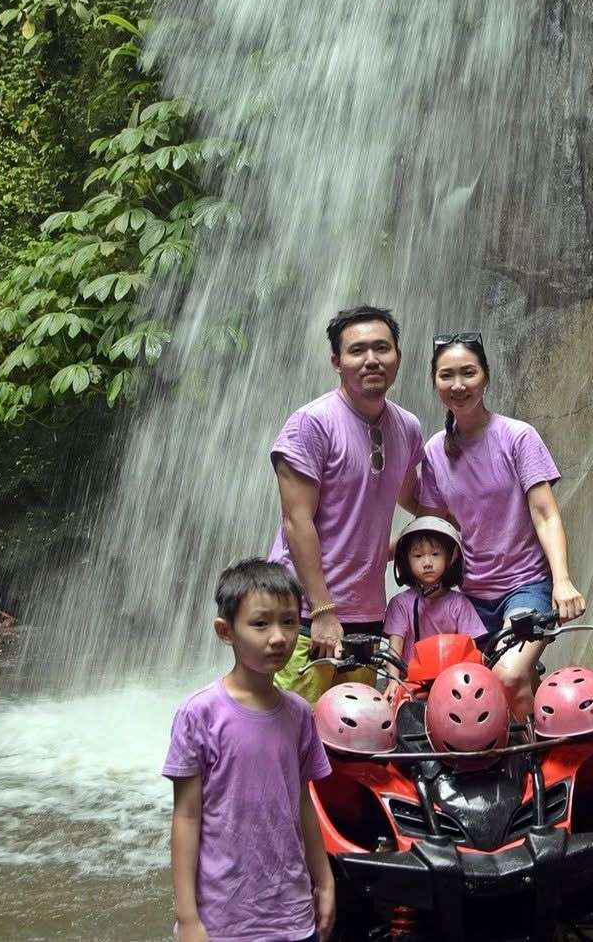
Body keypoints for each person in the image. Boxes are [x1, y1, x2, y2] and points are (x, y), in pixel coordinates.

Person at [163, 559, 334, 942]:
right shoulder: (200, 713)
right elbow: (187, 816)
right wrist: (188, 917)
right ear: (226, 631)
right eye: (260, 624)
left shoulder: (299, 714)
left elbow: (303, 803)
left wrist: (324, 881)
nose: (278, 637)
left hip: (291, 915)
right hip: (225, 919)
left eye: (289, 622)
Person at [419, 332, 586, 718]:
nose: (458, 385)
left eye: (468, 373)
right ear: (435, 383)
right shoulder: (433, 452)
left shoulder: (517, 437)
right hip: (470, 594)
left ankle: (528, 757)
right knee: (466, 687)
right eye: (447, 376)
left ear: (486, 377)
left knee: (508, 676)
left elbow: (545, 513)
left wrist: (561, 580)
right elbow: (437, 525)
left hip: (525, 586)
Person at [269, 305, 424, 702]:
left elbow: (416, 500)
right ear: (337, 362)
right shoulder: (311, 424)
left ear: (398, 357)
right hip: (306, 614)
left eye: (381, 348)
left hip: (368, 613)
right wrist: (322, 612)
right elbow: (296, 522)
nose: (371, 360)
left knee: (352, 739)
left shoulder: (407, 427)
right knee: (294, 735)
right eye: (357, 351)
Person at [382, 515, 487, 669]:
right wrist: (393, 682)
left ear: (450, 558)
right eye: (418, 556)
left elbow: (470, 647)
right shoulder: (400, 604)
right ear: (406, 561)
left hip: (451, 680)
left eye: (435, 554)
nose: (427, 563)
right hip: (411, 681)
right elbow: (394, 649)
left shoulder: (459, 603)